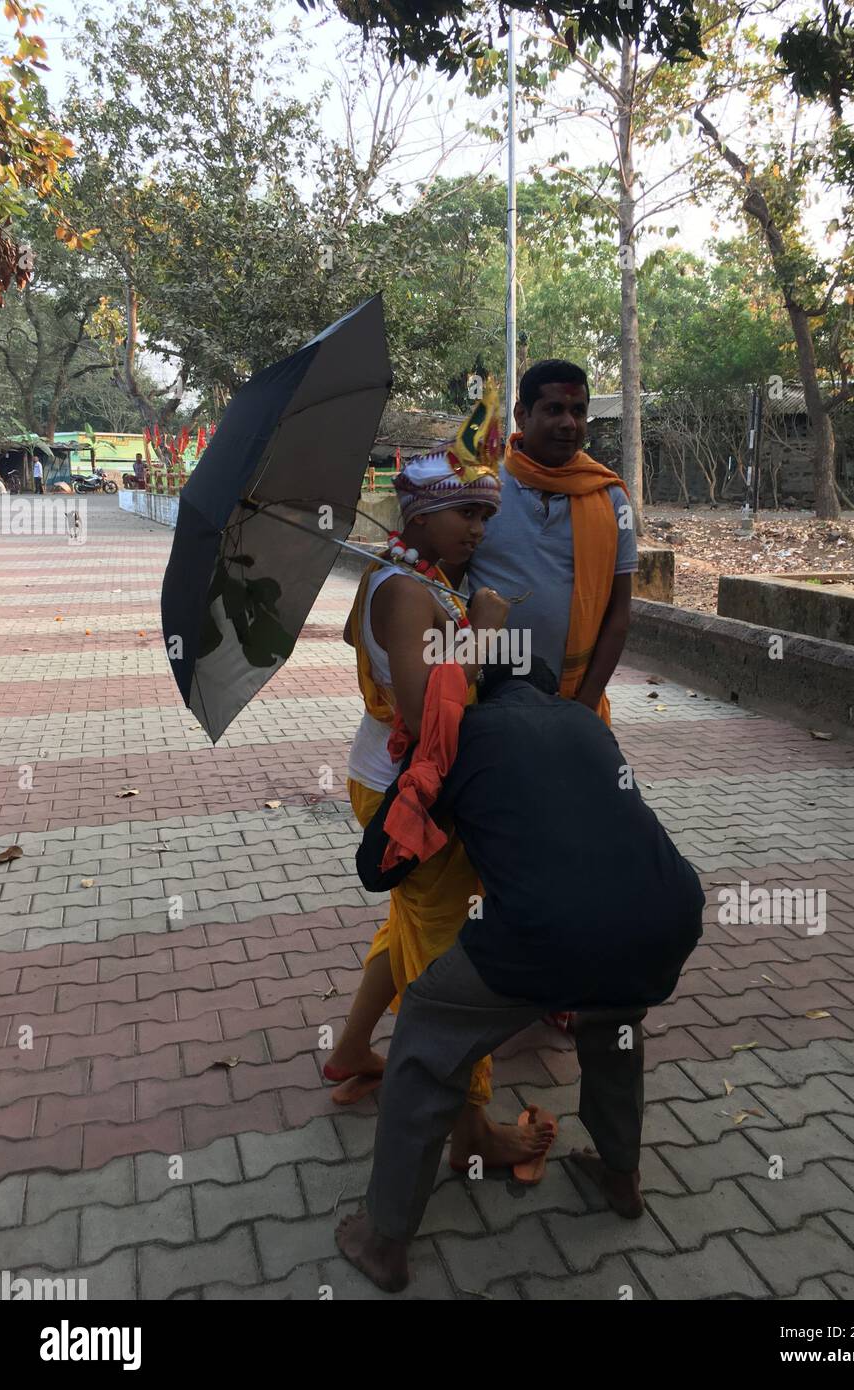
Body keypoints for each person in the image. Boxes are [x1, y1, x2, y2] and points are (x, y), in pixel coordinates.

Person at [335, 655, 705, 1292]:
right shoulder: (587, 724)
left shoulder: (464, 737)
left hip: (550, 932)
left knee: (426, 1033)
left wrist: (420, 771)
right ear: (544, 684)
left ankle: (384, 1239)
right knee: (613, 1022)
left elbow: (378, 869)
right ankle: (622, 1178)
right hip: (665, 917)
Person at [327, 439, 556, 1170]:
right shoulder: (404, 589)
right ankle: (472, 1134)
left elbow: (354, 641)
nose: (478, 531)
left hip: (387, 777)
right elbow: (431, 720)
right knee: (448, 954)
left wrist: (445, 620)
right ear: (418, 517)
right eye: (464, 513)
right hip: (413, 793)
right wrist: (481, 632)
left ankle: (352, 1049)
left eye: (484, 517)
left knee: (410, 921)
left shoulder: (394, 579)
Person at [458, 359, 637, 727]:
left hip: (573, 701)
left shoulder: (610, 499)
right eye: (554, 409)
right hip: (485, 701)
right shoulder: (483, 488)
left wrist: (583, 708)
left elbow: (618, 615)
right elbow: (442, 588)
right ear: (522, 415)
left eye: (578, 411)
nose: (569, 424)